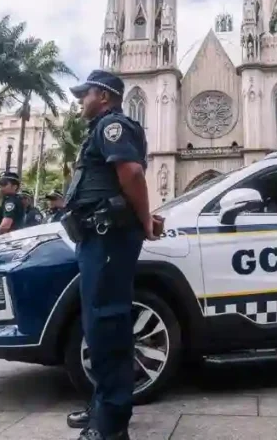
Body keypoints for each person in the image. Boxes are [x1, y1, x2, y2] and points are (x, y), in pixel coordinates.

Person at [63, 70, 161, 440]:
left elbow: (132, 174)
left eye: (85, 93)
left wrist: (145, 220)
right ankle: (102, 406)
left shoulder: (113, 126)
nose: (80, 99)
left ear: (104, 96)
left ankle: (111, 426)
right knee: (97, 327)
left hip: (108, 238)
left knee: (107, 326)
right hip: (96, 238)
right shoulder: (99, 129)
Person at [0, 171, 23, 240]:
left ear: (14, 187)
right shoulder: (12, 200)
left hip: (6, 241)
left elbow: (5, 225)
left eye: (4, 184)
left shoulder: (11, 202)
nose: (1, 187)